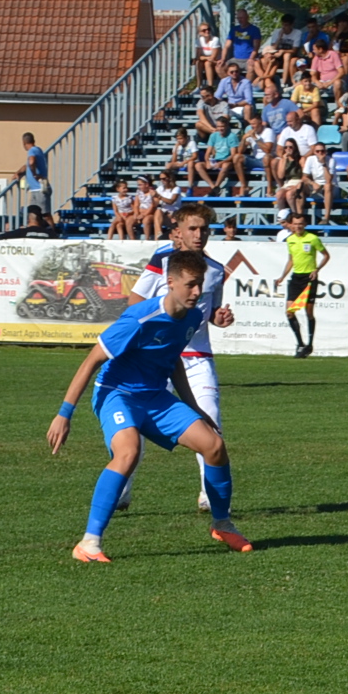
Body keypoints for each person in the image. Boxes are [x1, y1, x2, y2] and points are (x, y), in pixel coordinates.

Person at [45, 248, 251, 562]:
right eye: (190, 285)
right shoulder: (140, 318)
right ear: (170, 282)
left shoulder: (193, 317)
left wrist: (195, 408)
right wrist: (64, 414)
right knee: (128, 452)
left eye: (200, 284)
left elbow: (173, 359)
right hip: (117, 393)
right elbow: (91, 360)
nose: (197, 292)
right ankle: (89, 543)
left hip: (155, 396)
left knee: (214, 446)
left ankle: (222, 524)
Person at [118, 202, 235, 513]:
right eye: (192, 228)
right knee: (136, 424)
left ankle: (209, 495)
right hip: (157, 358)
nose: (199, 234)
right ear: (179, 231)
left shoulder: (216, 270)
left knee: (209, 420)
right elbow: (135, 301)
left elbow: (210, 313)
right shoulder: (162, 261)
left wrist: (219, 318)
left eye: (204, 229)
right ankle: (121, 491)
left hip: (197, 358)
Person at [274, 212, 330, 357]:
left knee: (308, 312)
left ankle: (310, 344)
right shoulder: (290, 240)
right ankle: (300, 343)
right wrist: (282, 276)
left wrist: (317, 269)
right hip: (296, 278)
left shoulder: (312, 238)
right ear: (291, 225)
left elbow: (326, 255)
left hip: (309, 278)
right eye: (295, 224)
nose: (298, 226)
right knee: (289, 312)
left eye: (300, 224)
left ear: (305, 224)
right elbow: (291, 260)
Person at [17, 133, 50, 216]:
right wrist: (18, 173)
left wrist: (34, 174)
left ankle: (50, 226)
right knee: (34, 215)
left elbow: (31, 162)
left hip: (39, 189)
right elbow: (27, 165)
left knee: (45, 215)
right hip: (35, 189)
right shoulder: (37, 150)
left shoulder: (32, 150)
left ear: (24, 143)